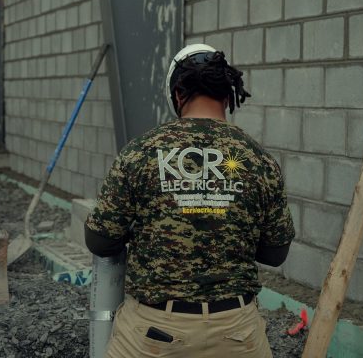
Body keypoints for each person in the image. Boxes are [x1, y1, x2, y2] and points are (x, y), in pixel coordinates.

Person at [84, 44, 295, 358]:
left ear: (177, 93)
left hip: (155, 333)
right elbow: (275, 253)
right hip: (237, 334)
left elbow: (100, 241)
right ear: (228, 95)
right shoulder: (258, 159)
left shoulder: (141, 152)